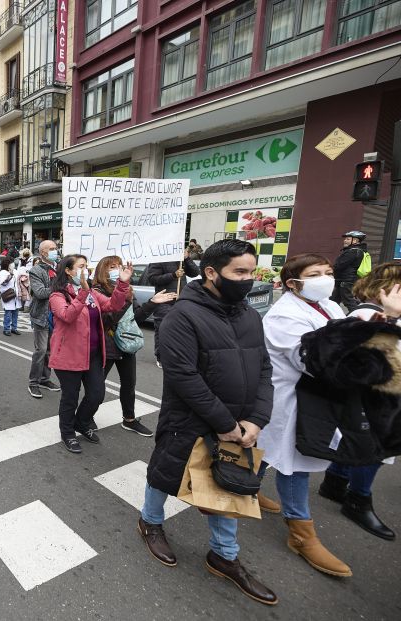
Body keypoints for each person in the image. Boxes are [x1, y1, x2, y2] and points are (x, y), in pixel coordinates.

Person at [139, 239, 277, 606]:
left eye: (251, 271)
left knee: (228, 487)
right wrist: (223, 422)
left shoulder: (249, 315)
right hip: (190, 420)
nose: (248, 280)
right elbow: (183, 376)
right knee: (164, 474)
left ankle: (224, 555)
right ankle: (150, 521)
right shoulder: (181, 316)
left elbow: (264, 368)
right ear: (212, 273)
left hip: (239, 422)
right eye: (240, 272)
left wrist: (257, 418)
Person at [259, 253, 352, 577]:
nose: (325, 278)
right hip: (291, 398)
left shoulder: (330, 306)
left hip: (320, 397)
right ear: (292, 283)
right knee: (293, 460)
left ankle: (247, 490)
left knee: (265, 450)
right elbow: (313, 360)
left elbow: (344, 340)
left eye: (328, 272)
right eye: (316, 274)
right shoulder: (282, 316)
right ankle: (301, 534)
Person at [318, 262, 401, 541]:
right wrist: (390, 316)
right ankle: (358, 499)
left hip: (383, 392)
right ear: (386, 289)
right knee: (375, 447)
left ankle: (335, 480)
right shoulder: (368, 314)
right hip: (374, 394)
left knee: (361, 439)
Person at [49, 255, 132, 453]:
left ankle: (81, 422)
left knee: (96, 394)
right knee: (70, 397)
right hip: (69, 356)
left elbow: (113, 305)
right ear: (68, 271)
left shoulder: (93, 294)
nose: (85, 270)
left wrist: (122, 283)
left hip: (92, 354)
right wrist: (83, 292)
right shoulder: (58, 296)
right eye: (81, 266)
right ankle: (67, 432)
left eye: (86, 266)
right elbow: (67, 316)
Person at [93, 256, 176, 437]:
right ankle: (86, 416)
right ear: (102, 270)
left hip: (126, 344)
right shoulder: (97, 291)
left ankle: (129, 419)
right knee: (96, 388)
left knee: (129, 385)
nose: (117, 269)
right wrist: (122, 296)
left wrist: (153, 302)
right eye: (112, 267)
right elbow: (109, 319)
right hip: (106, 345)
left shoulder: (128, 290)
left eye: (119, 266)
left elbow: (136, 317)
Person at [143, 252, 200, 368]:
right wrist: (173, 275)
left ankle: (178, 355)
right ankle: (161, 356)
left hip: (181, 300)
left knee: (181, 330)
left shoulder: (181, 259)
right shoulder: (159, 257)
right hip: (164, 300)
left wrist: (187, 258)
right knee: (163, 329)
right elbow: (153, 279)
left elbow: (195, 272)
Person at [27, 240, 61, 399]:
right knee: (40, 350)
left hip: (56, 315)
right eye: (52, 249)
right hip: (41, 315)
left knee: (49, 350)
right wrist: (60, 286)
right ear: (43, 253)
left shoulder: (59, 268)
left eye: (56, 248)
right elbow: (40, 293)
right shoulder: (36, 270)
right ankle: (33, 382)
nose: (55, 251)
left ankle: (44, 379)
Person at [331, 230, 367, 312]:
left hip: (346, 281)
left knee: (348, 301)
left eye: (347, 239)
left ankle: (358, 318)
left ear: (355, 240)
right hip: (344, 281)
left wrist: (330, 270)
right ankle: (330, 315)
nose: (345, 240)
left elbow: (340, 265)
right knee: (333, 301)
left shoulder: (353, 251)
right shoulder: (358, 250)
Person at [0, 256, 20, 336]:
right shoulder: (3, 272)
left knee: (15, 312)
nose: (12, 264)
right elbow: (3, 282)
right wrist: (10, 275)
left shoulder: (15, 271)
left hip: (15, 295)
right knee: (8, 312)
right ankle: (6, 329)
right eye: (11, 263)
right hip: (8, 294)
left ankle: (14, 328)